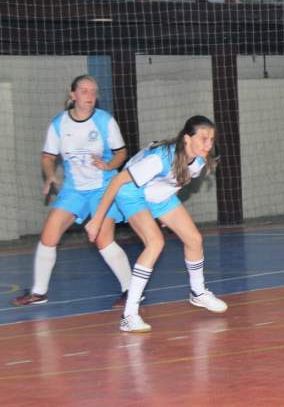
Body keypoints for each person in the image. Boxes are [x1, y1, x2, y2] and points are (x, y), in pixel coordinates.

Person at [85, 115, 227, 332]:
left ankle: (198, 293)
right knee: (155, 243)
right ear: (187, 139)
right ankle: (129, 315)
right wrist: (97, 220)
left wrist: (160, 215)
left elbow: (172, 182)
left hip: (159, 196)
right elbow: (117, 181)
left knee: (194, 239)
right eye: (204, 138)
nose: (209, 144)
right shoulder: (160, 159)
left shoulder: (199, 160)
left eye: (211, 139)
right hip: (131, 193)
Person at [11, 75, 132, 308]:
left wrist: (108, 165)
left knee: (103, 240)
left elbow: (121, 153)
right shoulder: (59, 124)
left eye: (94, 92)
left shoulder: (105, 121)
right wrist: (50, 175)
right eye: (84, 91)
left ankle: (131, 290)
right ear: (72, 94)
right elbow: (48, 157)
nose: (90, 96)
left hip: (103, 188)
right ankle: (39, 292)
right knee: (48, 235)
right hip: (74, 190)